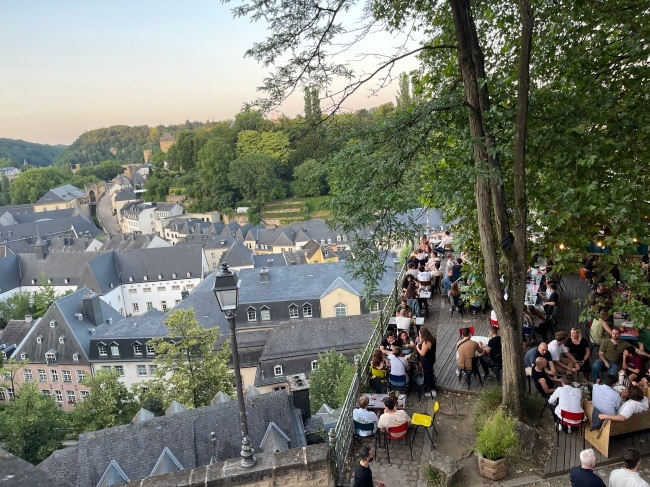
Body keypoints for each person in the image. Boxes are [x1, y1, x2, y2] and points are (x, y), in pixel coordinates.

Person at [416, 327, 437, 401]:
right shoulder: (432, 339)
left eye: (420, 334)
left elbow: (422, 353)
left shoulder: (426, 343)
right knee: (430, 372)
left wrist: (417, 347)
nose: (419, 335)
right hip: (431, 358)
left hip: (427, 361)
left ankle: (431, 389)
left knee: (428, 374)